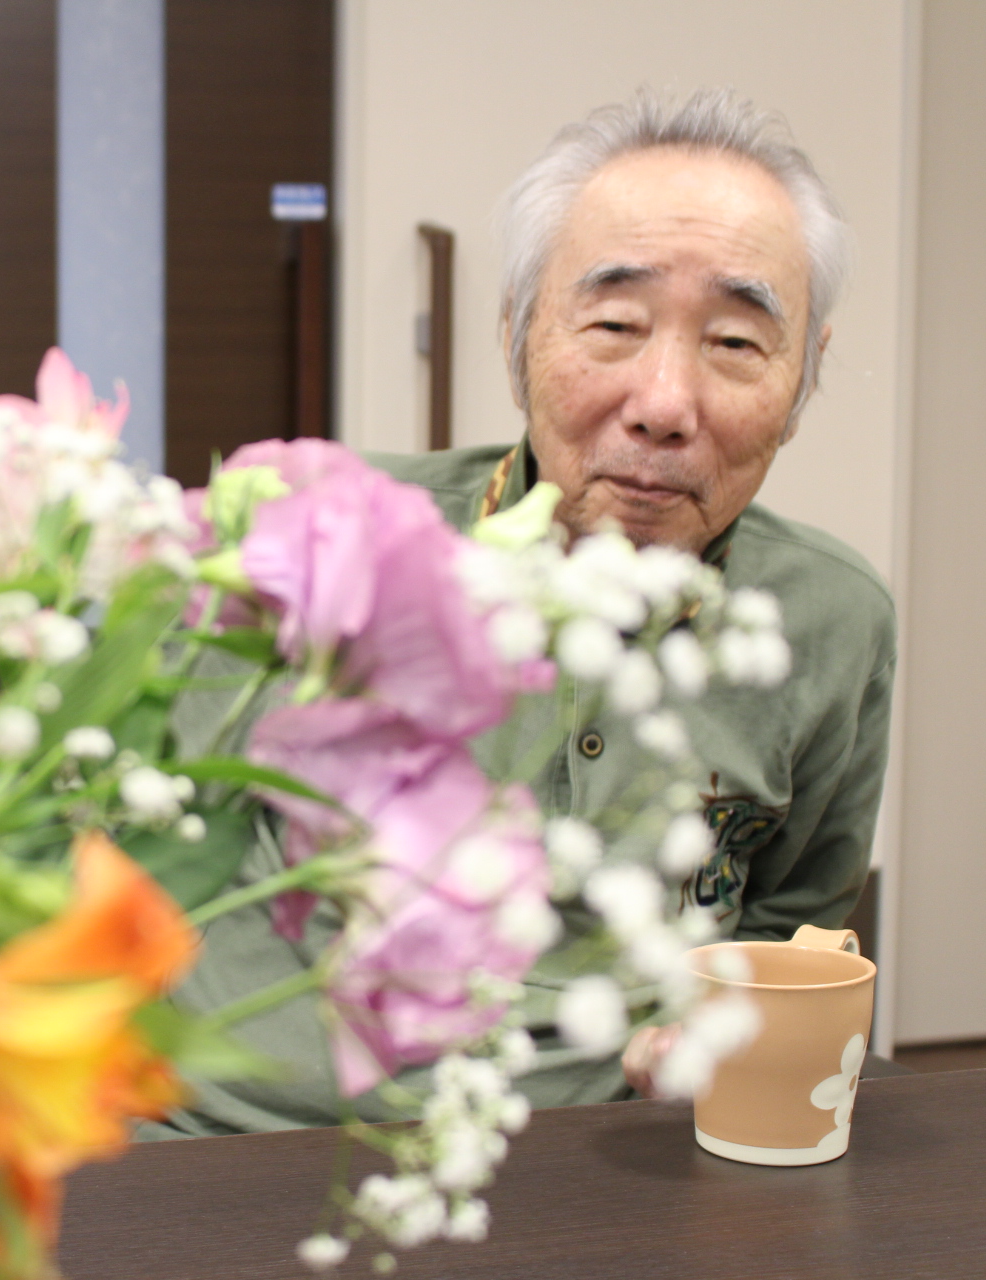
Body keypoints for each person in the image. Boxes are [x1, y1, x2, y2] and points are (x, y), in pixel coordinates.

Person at [154, 88, 896, 1135]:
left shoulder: (831, 620)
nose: (664, 404)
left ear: (803, 378)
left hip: (607, 1160)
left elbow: (788, 932)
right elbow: (139, 850)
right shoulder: (323, 530)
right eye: (614, 324)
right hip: (231, 1144)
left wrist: (713, 1033)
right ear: (516, 334)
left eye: (735, 342)